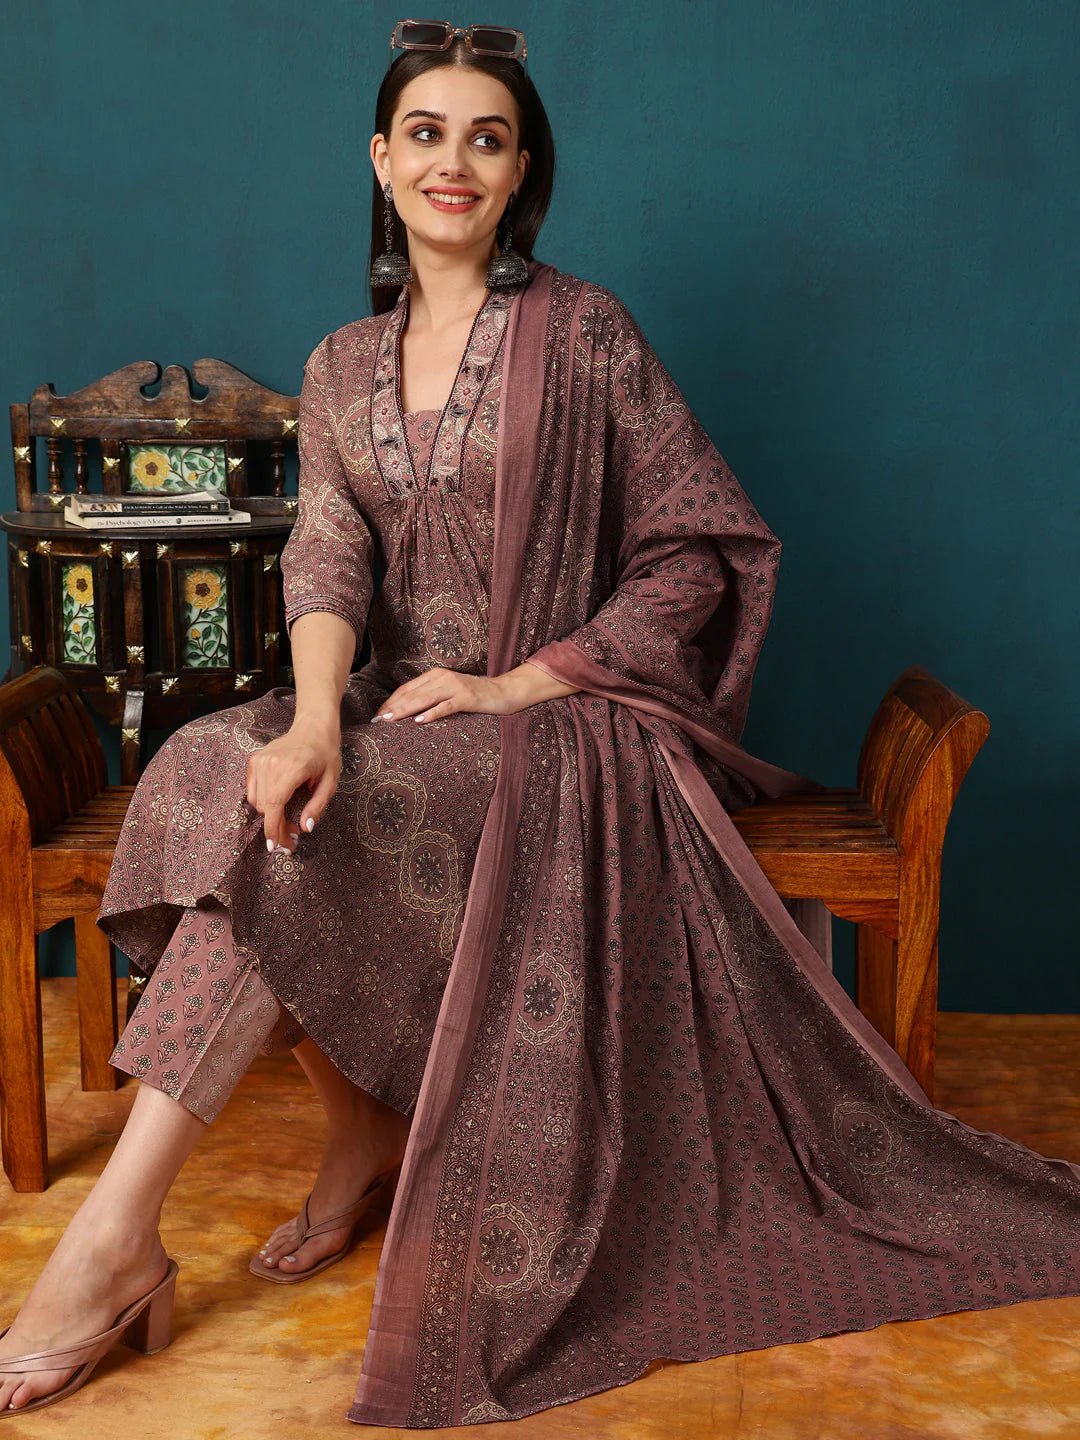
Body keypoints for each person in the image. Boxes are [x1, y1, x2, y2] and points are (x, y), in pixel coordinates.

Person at [4, 22, 1080, 1428]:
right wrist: (315, 717)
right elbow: (325, 558)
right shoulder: (338, 364)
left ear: (521, 175)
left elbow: (695, 553)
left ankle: (110, 1243)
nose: (455, 161)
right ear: (381, 161)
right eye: (428, 133)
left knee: (313, 825)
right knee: (235, 770)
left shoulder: (585, 335)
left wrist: (519, 684)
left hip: (561, 727)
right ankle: (350, 1138)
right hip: (392, 704)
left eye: (489, 138)